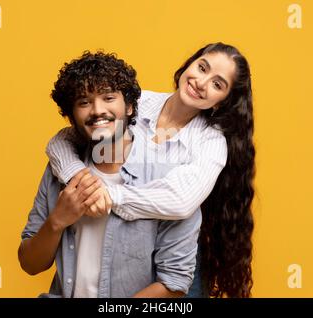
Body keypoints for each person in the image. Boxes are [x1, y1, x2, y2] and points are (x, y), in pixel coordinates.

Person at [46, 42, 256, 298]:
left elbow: (181, 202)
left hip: (174, 245)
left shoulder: (211, 143)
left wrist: (109, 196)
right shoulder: (138, 101)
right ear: (189, 64)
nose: (201, 82)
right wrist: (82, 182)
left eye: (217, 84)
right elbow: (61, 141)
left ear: (222, 102)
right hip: (118, 240)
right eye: (202, 68)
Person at [18, 51, 201, 298]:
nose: (97, 110)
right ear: (71, 116)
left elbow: (174, 283)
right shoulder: (59, 171)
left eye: (108, 97)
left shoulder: (168, 179)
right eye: (84, 102)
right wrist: (57, 221)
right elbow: (30, 263)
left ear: (129, 106)